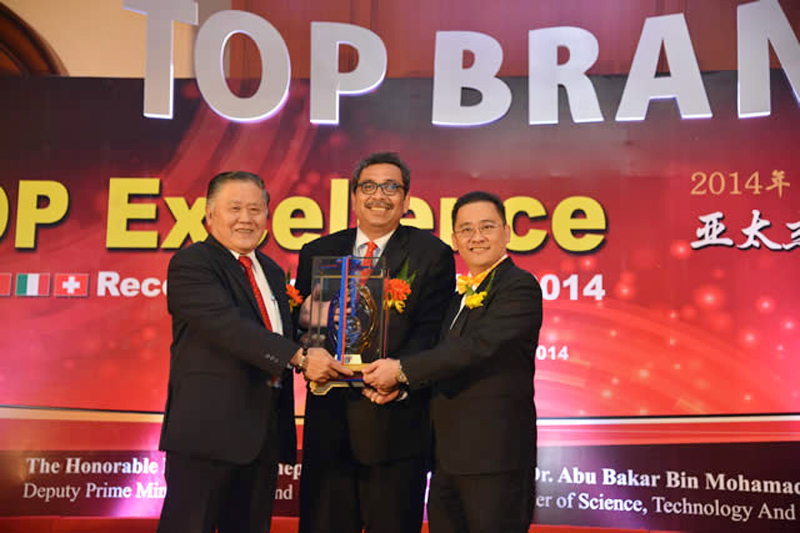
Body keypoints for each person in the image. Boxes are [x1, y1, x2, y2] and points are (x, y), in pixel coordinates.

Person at [157, 171, 350, 533]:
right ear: (209, 213)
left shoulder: (272, 271)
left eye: (255, 209)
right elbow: (229, 327)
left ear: (267, 216)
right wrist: (301, 358)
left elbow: (276, 333)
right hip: (206, 436)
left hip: (262, 438)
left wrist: (321, 327)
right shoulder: (192, 264)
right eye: (235, 208)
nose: (246, 219)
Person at [362, 190, 542, 533]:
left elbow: (476, 348)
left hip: (494, 460)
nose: (477, 237)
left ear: (507, 233)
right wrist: (402, 389)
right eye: (466, 230)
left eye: (487, 227)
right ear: (455, 240)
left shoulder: (519, 287)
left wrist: (401, 371)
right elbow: (443, 362)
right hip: (447, 459)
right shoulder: (458, 296)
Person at [294, 152, 456, 533]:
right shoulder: (317, 252)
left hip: (395, 427)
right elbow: (299, 326)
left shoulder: (432, 254)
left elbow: (432, 331)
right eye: (368, 186)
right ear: (353, 197)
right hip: (329, 427)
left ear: (406, 199)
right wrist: (305, 339)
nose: (378, 196)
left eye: (390, 187)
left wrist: (398, 375)